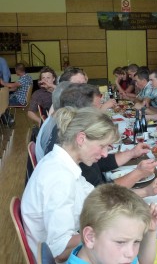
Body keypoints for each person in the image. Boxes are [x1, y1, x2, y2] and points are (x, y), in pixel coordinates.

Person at [22, 106, 119, 262]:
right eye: (102, 146)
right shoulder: (60, 177)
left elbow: (94, 196)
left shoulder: (63, 163)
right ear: (81, 139)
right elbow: (60, 249)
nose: (105, 154)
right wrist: (108, 233)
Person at [40, 83, 157, 197]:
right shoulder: (61, 176)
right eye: (98, 107)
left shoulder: (70, 149)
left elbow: (94, 192)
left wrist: (132, 154)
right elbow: (100, 197)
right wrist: (137, 174)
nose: (102, 110)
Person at [67, 183, 157, 264]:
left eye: (136, 242)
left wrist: (151, 231)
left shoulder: (109, 257)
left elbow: (143, 262)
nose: (131, 254)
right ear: (90, 237)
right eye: (120, 242)